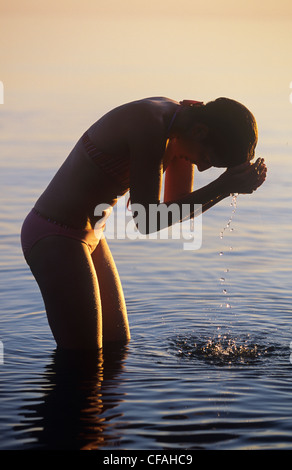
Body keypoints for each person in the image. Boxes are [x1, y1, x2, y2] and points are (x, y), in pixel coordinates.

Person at [20, 96, 267, 351]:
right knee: (85, 362)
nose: (203, 168)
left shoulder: (184, 127)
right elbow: (147, 220)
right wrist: (224, 185)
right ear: (200, 131)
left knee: (117, 348)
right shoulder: (149, 124)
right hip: (55, 236)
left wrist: (227, 189)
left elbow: (179, 207)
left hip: (91, 237)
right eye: (206, 157)